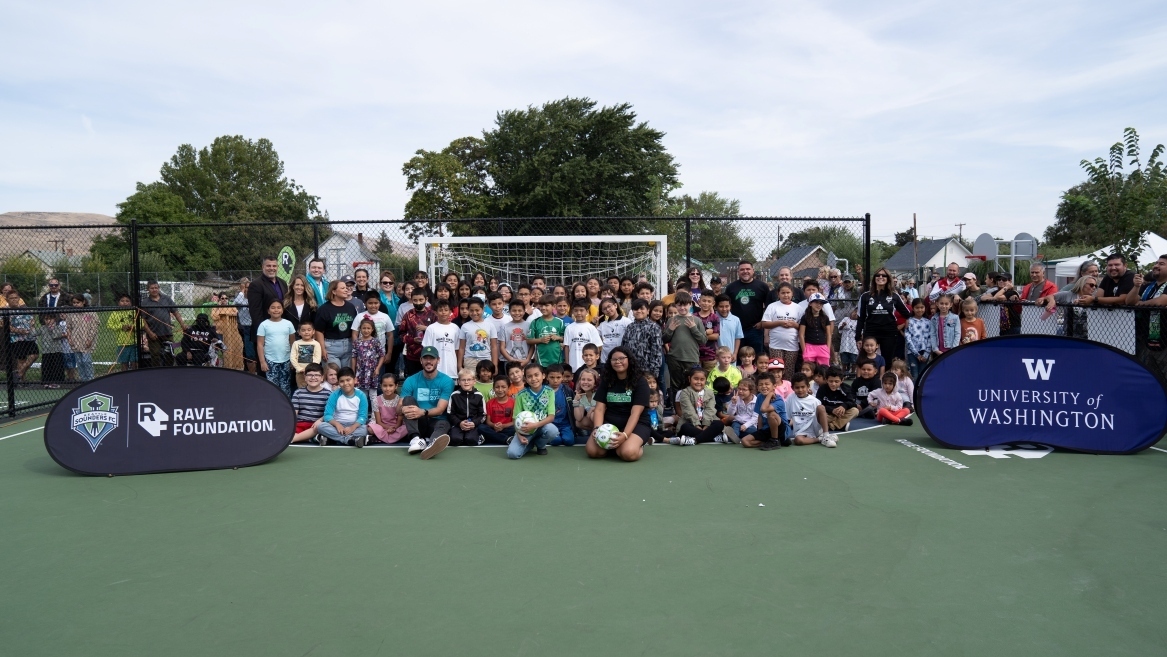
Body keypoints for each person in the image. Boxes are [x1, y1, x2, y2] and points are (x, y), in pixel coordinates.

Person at [585, 346, 652, 461]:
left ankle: (636, 445)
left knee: (627, 453)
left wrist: (625, 435)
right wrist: (597, 428)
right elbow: (600, 409)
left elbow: (635, 413)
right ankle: (616, 447)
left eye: (621, 358)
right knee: (593, 452)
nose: (618, 362)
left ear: (629, 360)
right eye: (614, 359)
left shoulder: (640, 382)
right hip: (610, 423)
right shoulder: (606, 380)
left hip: (637, 424)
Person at [400, 346, 455, 459]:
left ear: (438, 360)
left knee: (444, 423)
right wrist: (403, 409)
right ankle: (416, 440)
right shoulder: (411, 380)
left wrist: (422, 412)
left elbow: (440, 409)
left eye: (432, 358)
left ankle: (432, 445)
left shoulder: (447, 381)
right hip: (417, 423)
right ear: (421, 360)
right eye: (426, 358)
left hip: (437, 421)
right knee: (407, 400)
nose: (429, 361)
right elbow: (398, 407)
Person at [856, 267, 910, 367]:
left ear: (888, 278)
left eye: (884, 275)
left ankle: (886, 381)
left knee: (887, 362)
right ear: (874, 278)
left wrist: (904, 324)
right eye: (878, 275)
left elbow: (907, 314)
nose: (881, 277)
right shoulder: (865, 296)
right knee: (867, 360)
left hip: (889, 332)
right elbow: (861, 318)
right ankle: (870, 382)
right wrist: (858, 337)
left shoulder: (894, 296)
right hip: (871, 331)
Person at [1127, 255, 1167, 382]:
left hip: (1165, 340)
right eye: (1156, 263)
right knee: (1148, 375)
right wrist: (1136, 286)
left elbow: (1161, 301)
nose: (1156, 266)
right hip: (1145, 338)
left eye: (1162, 264)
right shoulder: (1148, 286)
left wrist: (1141, 304)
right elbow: (1130, 301)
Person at [509, 363, 558, 459]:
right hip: (525, 430)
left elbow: (551, 417)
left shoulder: (549, 392)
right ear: (525, 379)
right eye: (529, 376)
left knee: (553, 430)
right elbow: (515, 418)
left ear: (543, 376)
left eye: (536, 375)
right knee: (513, 454)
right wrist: (519, 435)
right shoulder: (521, 394)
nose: (533, 378)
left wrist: (535, 425)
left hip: (542, 427)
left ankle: (540, 445)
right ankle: (530, 444)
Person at [725, 260, 771, 358]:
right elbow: (725, 307)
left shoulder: (762, 286)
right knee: (737, 357)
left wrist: (762, 322)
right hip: (736, 328)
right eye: (742, 269)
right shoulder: (731, 288)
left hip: (755, 329)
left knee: (756, 356)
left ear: (753, 271)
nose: (745, 271)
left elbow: (768, 308)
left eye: (748, 269)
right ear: (738, 272)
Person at [671, 368, 729, 445]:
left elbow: (710, 409)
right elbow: (689, 411)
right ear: (689, 379)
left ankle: (694, 440)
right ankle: (713, 437)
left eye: (702, 379)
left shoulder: (710, 392)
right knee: (685, 427)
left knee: (719, 424)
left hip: (707, 421)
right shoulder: (685, 392)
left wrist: (706, 425)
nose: (699, 382)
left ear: (705, 380)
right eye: (696, 379)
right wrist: (697, 425)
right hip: (691, 421)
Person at [662, 291, 706, 392]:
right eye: (679, 305)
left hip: (691, 358)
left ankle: (690, 407)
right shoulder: (671, 320)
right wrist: (670, 329)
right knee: (676, 386)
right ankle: (676, 407)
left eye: (685, 305)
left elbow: (703, 340)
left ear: (690, 304)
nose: (682, 308)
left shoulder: (697, 320)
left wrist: (694, 328)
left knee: (691, 385)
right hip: (675, 358)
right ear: (676, 306)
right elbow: (664, 339)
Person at [316, 367, 370, 447]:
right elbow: (327, 415)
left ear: (354, 380)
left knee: (367, 429)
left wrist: (353, 427)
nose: (345, 383)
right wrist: (337, 425)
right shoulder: (334, 395)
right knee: (321, 426)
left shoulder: (361, 395)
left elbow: (363, 417)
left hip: (355, 426)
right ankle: (350, 440)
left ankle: (333, 439)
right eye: (342, 381)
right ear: (338, 382)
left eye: (348, 380)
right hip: (337, 426)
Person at [760, 282, 801, 381]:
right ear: (778, 294)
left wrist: (793, 324)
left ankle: (787, 392)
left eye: (788, 292)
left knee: (789, 371)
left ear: (792, 294)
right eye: (783, 293)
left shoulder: (798, 308)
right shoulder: (772, 306)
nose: (785, 295)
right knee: (776, 370)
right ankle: (776, 391)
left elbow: (802, 326)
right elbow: (765, 323)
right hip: (776, 345)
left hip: (792, 345)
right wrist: (779, 323)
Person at [247, 256, 287, 355]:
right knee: (264, 366)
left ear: (277, 267)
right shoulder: (256, 285)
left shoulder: (283, 283)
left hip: (281, 331)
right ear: (263, 267)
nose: (271, 268)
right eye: (268, 266)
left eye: (274, 266)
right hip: (265, 333)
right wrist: (264, 333)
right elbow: (255, 312)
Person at [256, 299, 296, 397]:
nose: (276, 310)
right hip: (270, 361)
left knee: (285, 386)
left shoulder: (288, 324)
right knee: (272, 386)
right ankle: (274, 406)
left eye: (278, 307)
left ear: (282, 310)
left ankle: (286, 407)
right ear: (268, 310)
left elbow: (293, 343)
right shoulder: (264, 325)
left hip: (286, 360)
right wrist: (262, 361)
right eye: (273, 308)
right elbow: (260, 344)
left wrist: (292, 359)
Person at [313, 280, 357, 368]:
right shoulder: (324, 309)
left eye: (346, 288)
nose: (346, 290)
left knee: (346, 375)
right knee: (333, 376)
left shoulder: (350, 307)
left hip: (348, 344)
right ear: (334, 291)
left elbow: (355, 328)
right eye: (343, 288)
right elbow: (319, 331)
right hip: (331, 347)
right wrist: (323, 349)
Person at [142, 280, 185, 368]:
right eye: (152, 288)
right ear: (148, 289)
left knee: (170, 353)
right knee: (155, 355)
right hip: (153, 334)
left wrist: (182, 324)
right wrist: (150, 333)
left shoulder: (167, 299)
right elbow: (143, 320)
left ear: (159, 288)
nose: (154, 290)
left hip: (167, 332)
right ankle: (156, 372)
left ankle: (168, 370)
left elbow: (176, 312)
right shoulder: (145, 303)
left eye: (156, 288)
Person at [741, 371, 789, 450]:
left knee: (771, 414)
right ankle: (769, 441)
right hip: (767, 428)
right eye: (761, 384)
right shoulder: (759, 397)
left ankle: (775, 440)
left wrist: (770, 394)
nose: (764, 386)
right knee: (745, 441)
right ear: (757, 387)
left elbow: (764, 409)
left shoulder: (779, 400)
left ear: (774, 386)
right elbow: (760, 415)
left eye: (767, 384)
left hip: (781, 430)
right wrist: (760, 432)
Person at [785, 373, 835, 447]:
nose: (800, 390)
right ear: (792, 388)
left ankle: (826, 435)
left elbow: (821, 415)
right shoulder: (790, 399)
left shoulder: (814, 401)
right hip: (801, 431)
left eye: (803, 387)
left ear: (808, 386)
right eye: (797, 387)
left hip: (815, 429)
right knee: (798, 440)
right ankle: (821, 439)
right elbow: (787, 418)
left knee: (821, 407)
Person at [399, 287, 436, 377]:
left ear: (426, 299)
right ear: (411, 300)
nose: (418, 302)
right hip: (412, 354)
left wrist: (427, 328)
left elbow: (438, 331)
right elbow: (401, 334)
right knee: (414, 378)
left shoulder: (432, 314)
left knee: (429, 377)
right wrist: (412, 340)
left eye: (421, 300)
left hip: (429, 354)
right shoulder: (408, 315)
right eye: (415, 300)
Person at [448, 368, 487, 447]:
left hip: (473, 425)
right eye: (463, 380)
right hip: (458, 425)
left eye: (469, 380)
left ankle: (478, 437)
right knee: (455, 440)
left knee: (471, 440)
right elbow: (450, 414)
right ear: (459, 382)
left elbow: (483, 415)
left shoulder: (479, 395)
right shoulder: (454, 395)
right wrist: (459, 423)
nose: (466, 382)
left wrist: (474, 423)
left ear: (474, 381)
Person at [291, 363, 330, 443]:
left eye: (317, 375)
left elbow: (329, 413)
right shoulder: (298, 393)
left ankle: (294, 439)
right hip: (300, 425)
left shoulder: (328, 394)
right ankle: (311, 438)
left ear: (322, 378)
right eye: (310, 375)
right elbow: (294, 414)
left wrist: (320, 420)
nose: (313, 378)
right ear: (305, 377)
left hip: (315, 425)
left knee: (321, 427)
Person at [456, 297, 496, 372]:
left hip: (486, 360)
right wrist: (459, 366)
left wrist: (495, 365)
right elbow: (461, 348)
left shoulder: (490, 325)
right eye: (471, 310)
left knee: (485, 382)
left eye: (477, 310)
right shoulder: (465, 326)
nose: (474, 313)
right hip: (469, 361)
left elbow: (494, 347)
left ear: (483, 310)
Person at [368, 372, 407, 444]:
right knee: (370, 429)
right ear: (381, 386)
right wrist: (388, 428)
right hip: (382, 427)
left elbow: (399, 422)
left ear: (396, 386)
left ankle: (379, 438)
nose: (387, 388)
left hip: (396, 427)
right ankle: (394, 438)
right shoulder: (376, 400)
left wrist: (394, 428)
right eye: (385, 386)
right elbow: (378, 421)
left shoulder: (400, 400)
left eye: (391, 385)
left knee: (406, 428)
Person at [527, 294, 565, 367]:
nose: (543, 308)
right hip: (541, 360)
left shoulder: (560, 322)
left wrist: (558, 338)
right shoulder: (535, 322)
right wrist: (540, 340)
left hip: (557, 360)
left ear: (553, 306)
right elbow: (529, 340)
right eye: (541, 306)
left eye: (546, 305)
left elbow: (565, 339)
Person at [564, 300, 602, 371]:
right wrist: (567, 364)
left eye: (581, 310)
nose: (578, 313)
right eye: (576, 310)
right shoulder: (569, 328)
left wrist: (595, 364)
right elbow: (567, 346)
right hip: (573, 366)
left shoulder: (591, 328)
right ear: (572, 311)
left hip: (589, 367)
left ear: (587, 312)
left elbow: (597, 347)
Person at [817, 367, 859, 432]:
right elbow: (818, 404)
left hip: (841, 414)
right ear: (826, 380)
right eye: (831, 381)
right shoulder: (822, 389)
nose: (833, 384)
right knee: (816, 417)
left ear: (842, 380)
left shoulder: (846, 388)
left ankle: (832, 426)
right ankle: (841, 425)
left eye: (836, 381)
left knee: (855, 411)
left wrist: (844, 406)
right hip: (827, 414)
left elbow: (852, 402)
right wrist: (831, 410)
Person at [66, 295, 97, 381]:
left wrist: (90, 339)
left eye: (78, 302)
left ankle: (90, 378)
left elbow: (93, 327)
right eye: (74, 303)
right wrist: (69, 339)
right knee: (79, 361)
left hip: (86, 339)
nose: (76, 304)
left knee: (86, 360)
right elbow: (68, 327)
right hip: (75, 340)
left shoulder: (90, 312)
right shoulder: (71, 314)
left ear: (83, 302)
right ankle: (83, 379)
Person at [352, 318, 386, 397]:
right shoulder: (357, 342)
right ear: (360, 329)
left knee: (373, 395)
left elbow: (382, 355)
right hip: (361, 372)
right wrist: (353, 372)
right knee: (362, 395)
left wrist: (377, 369)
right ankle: (364, 409)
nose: (366, 330)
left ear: (372, 329)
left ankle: (374, 410)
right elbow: (354, 357)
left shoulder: (375, 341)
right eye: (364, 328)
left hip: (372, 372)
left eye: (368, 328)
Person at [479, 374, 516, 445]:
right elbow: (488, 421)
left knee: (515, 429)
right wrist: (494, 425)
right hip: (493, 428)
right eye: (497, 387)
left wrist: (503, 426)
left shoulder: (513, 402)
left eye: (503, 387)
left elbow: (514, 422)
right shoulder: (490, 403)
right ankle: (506, 439)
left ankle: (492, 438)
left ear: (508, 388)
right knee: (481, 427)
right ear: (493, 388)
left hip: (507, 428)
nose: (500, 390)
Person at [799, 293, 833, 367]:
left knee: (824, 369)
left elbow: (829, 334)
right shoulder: (805, 317)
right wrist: (804, 349)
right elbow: (801, 335)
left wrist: (827, 348)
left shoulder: (825, 317)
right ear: (810, 303)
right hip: (809, 347)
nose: (819, 305)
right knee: (809, 368)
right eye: (816, 302)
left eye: (821, 303)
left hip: (823, 347)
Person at [545, 363, 575, 446]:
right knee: (556, 441)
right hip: (550, 424)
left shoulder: (568, 391)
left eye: (558, 377)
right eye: (552, 377)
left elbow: (572, 408)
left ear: (562, 377)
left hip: (565, 424)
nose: (555, 380)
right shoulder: (543, 391)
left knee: (569, 441)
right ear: (547, 377)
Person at [597, 298, 633, 364]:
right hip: (605, 360)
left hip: (621, 359)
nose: (608, 310)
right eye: (604, 309)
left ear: (615, 305)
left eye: (609, 306)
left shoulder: (626, 321)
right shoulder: (602, 325)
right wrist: (594, 323)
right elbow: (593, 334)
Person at [692, 291, 720, 370]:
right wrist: (706, 333)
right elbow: (691, 335)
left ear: (713, 303)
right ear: (699, 301)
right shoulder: (693, 317)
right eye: (704, 301)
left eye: (709, 301)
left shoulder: (715, 317)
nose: (706, 303)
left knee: (710, 380)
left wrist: (699, 335)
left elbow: (715, 336)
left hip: (710, 355)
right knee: (696, 378)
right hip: (695, 354)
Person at [724, 378, 759, 443]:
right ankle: (734, 437)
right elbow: (730, 413)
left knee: (753, 431)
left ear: (751, 391)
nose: (740, 391)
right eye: (739, 389)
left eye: (744, 390)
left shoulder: (756, 401)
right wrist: (733, 404)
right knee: (735, 427)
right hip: (737, 421)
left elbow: (755, 418)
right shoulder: (737, 399)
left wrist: (745, 425)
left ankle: (732, 437)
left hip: (750, 424)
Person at [903, 299, 930, 381]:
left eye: (922, 307)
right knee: (914, 375)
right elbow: (908, 338)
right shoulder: (909, 321)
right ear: (913, 308)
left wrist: (926, 353)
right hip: (912, 353)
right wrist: (916, 354)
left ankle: (921, 393)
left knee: (923, 374)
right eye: (917, 307)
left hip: (925, 352)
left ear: (925, 308)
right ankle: (914, 393)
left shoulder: (928, 322)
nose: (920, 310)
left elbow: (930, 338)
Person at [290, 320, 323, 388]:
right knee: (301, 389)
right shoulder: (296, 343)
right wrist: (299, 369)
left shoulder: (316, 344)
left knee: (313, 388)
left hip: (313, 372)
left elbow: (318, 359)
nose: (306, 332)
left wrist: (309, 369)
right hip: (300, 373)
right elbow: (293, 357)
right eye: (303, 330)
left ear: (313, 331)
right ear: (299, 332)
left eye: (309, 330)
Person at [929, 295, 960, 359]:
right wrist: (935, 349)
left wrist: (953, 349)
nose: (944, 306)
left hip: (951, 351)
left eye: (946, 304)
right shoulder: (933, 319)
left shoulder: (955, 318)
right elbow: (933, 334)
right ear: (937, 304)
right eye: (941, 303)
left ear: (951, 305)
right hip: (938, 351)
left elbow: (957, 334)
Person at [572, 367, 599, 439]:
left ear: (595, 383)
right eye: (583, 379)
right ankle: (595, 432)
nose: (585, 382)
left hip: (605, 420)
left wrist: (593, 408)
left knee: (593, 415)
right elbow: (579, 418)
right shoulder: (582, 396)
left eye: (589, 380)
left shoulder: (598, 393)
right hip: (594, 421)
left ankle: (601, 432)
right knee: (578, 423)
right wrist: (576, 401)